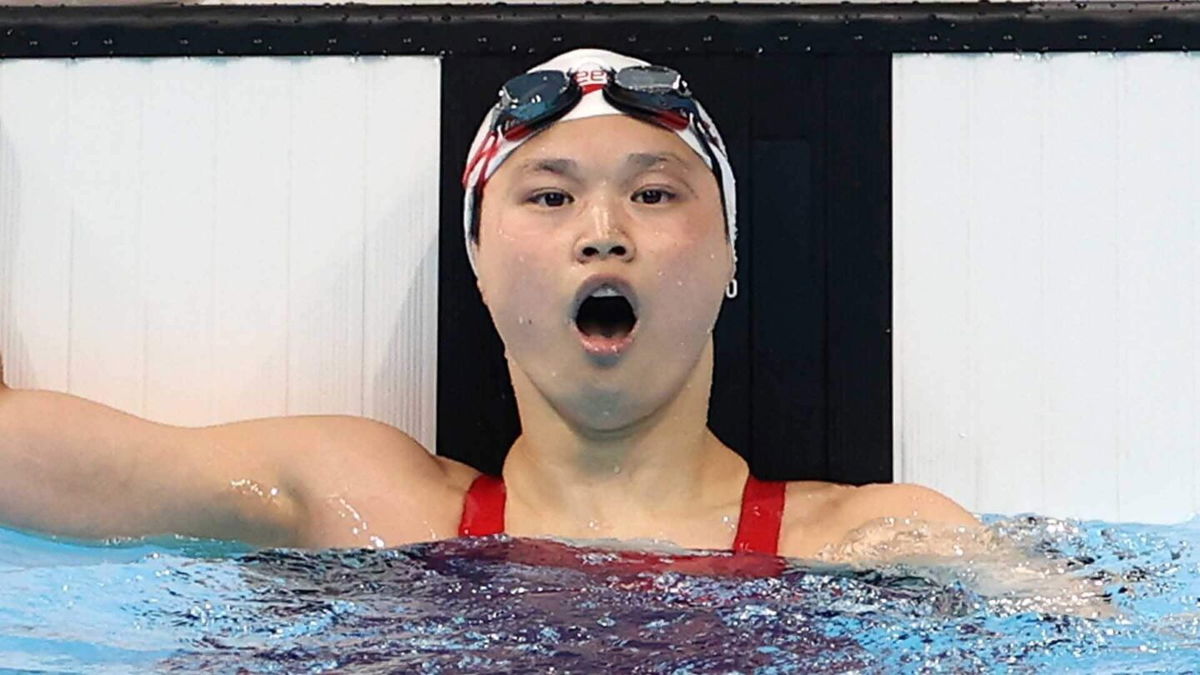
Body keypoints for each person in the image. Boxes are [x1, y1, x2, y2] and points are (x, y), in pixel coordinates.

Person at [0, 48, 976, 558]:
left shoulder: (882, 544)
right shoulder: (353, 501)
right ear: (479, 261)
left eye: (653, 193)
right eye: (549, 196)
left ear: (728, 255)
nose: (604, 230)